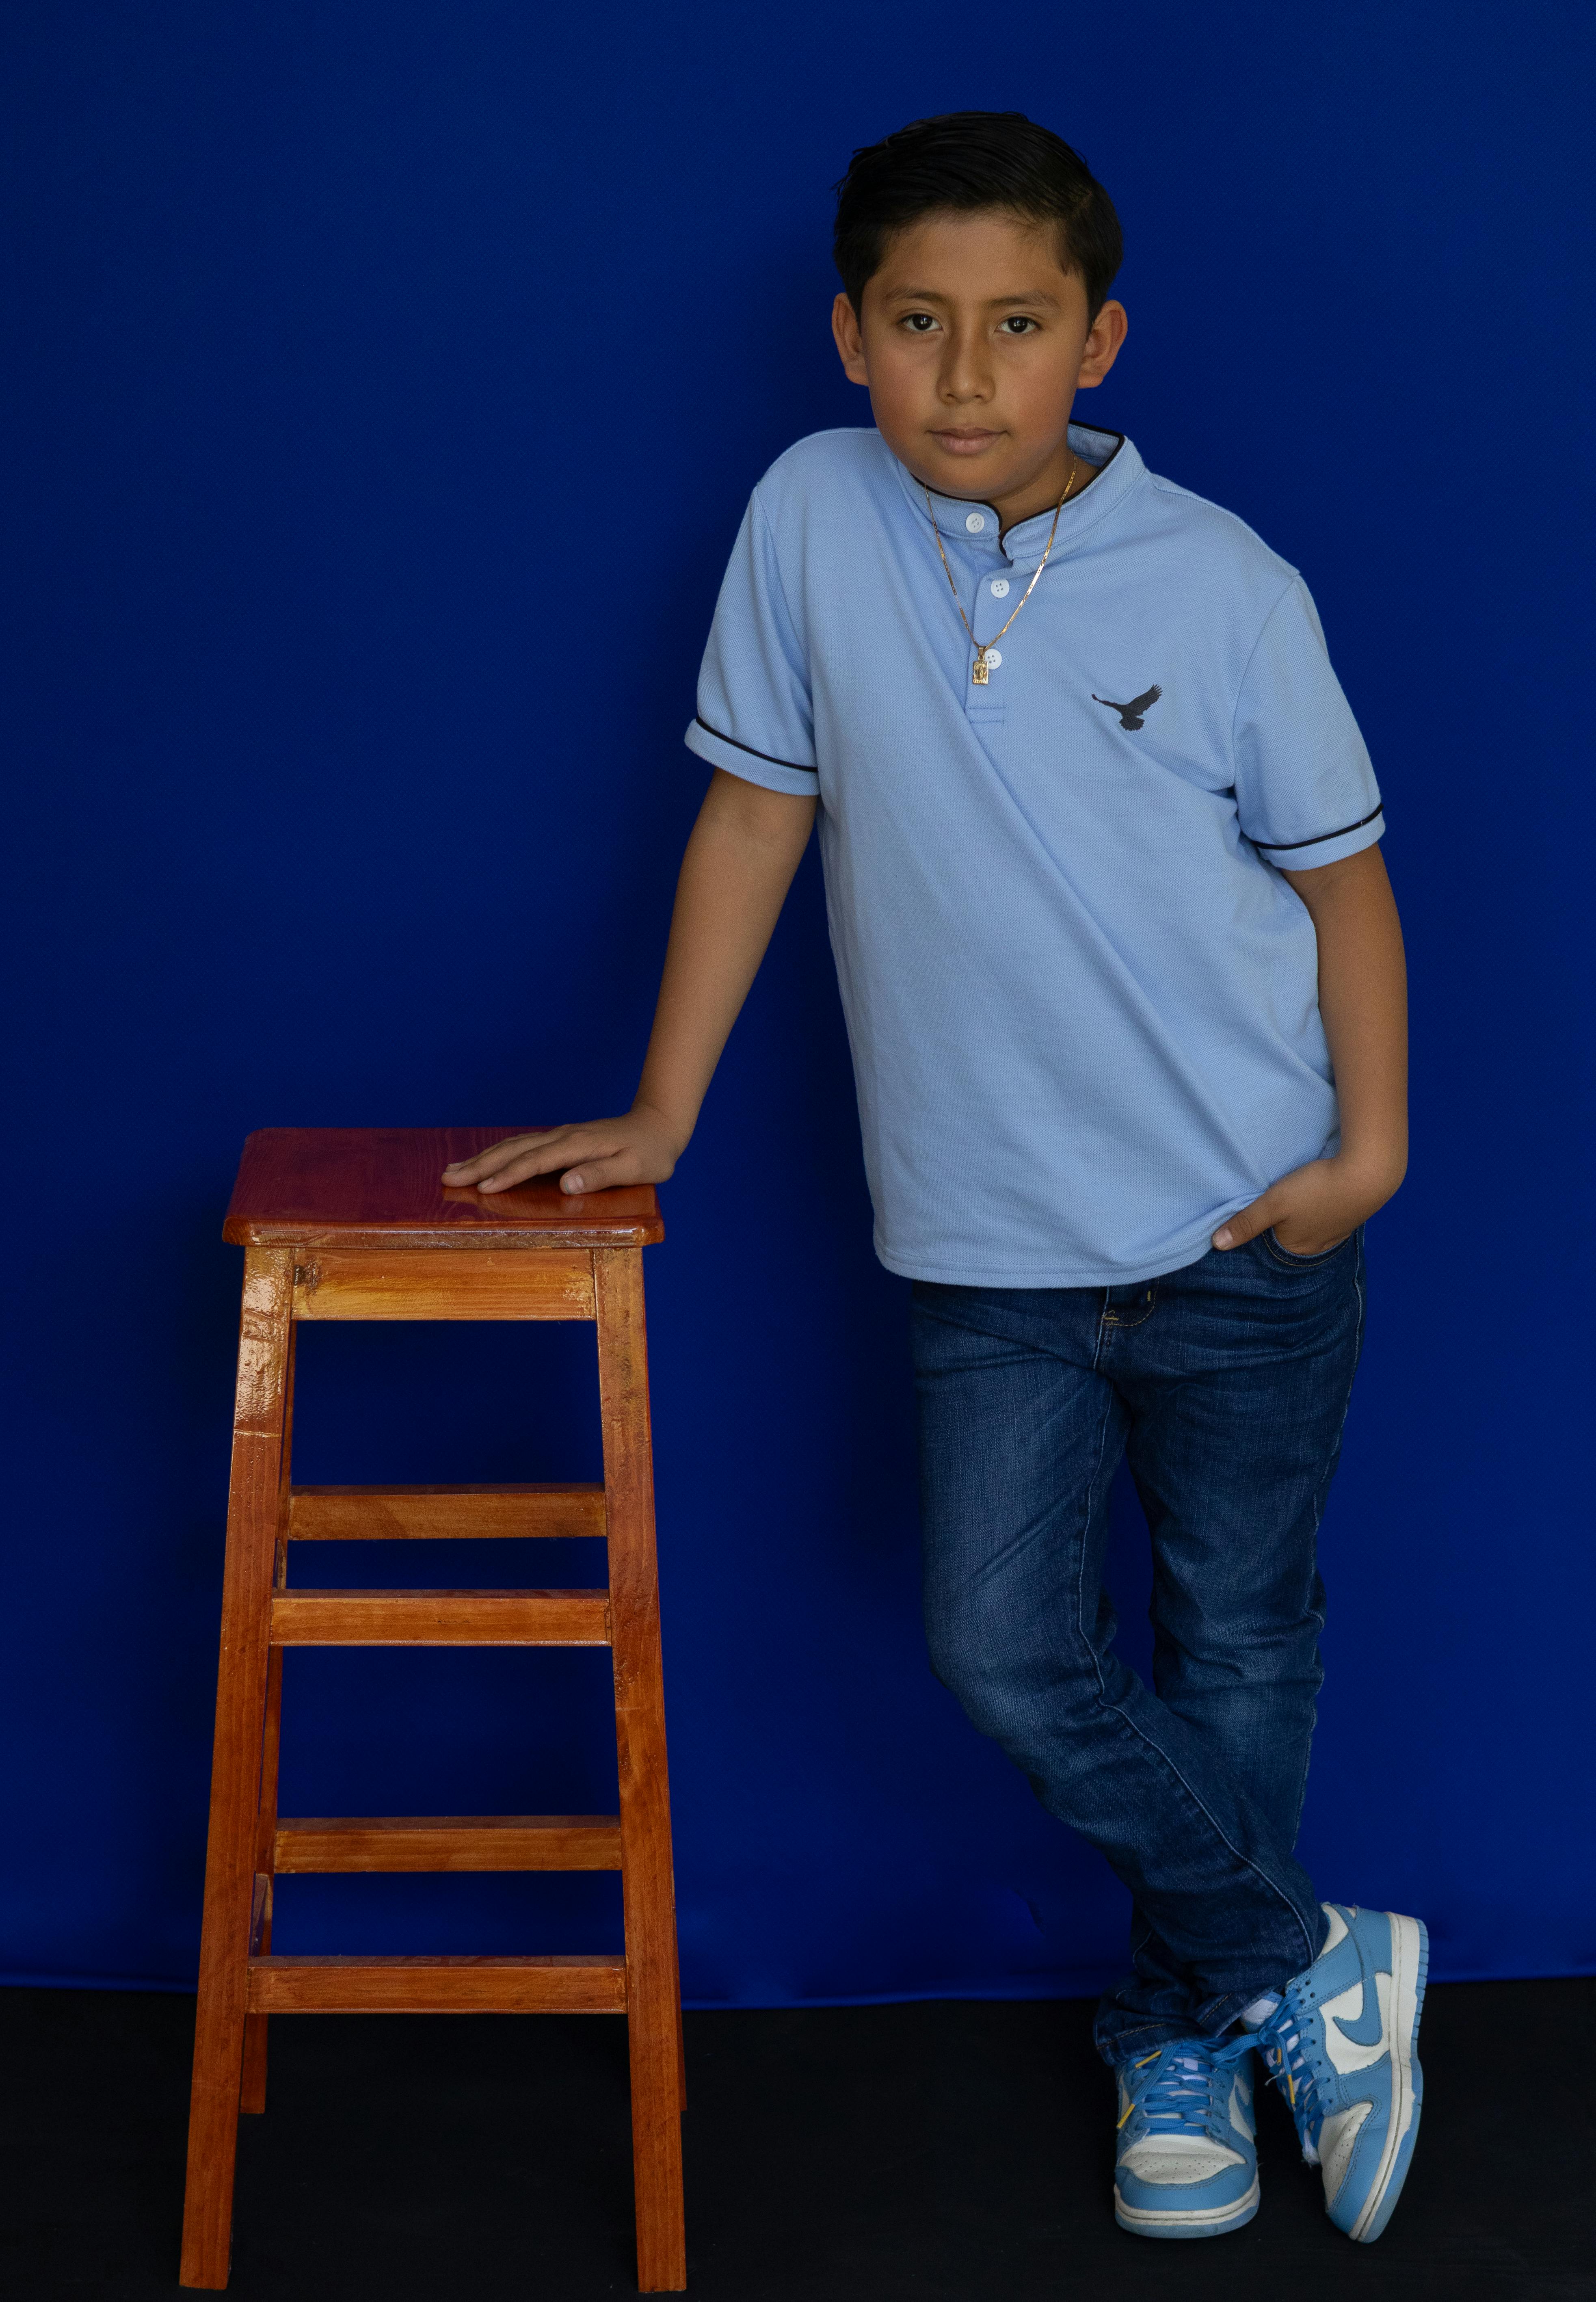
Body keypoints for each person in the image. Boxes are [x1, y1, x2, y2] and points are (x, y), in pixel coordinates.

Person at [443, 112, 1425, 2244]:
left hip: (1251, 1219)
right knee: (1004, 1642)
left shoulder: (1227, 584)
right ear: (846, 338)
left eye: (1015, 328)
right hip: (985, 1243)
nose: (965, 379)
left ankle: (1186, 2024)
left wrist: (1369, 1152)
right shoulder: (808, 516)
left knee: (1240, 1639)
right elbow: (754, 820)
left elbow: (1345, 888)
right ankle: (1308, 1953)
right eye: (917, 326)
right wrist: (664, 1108)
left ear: (1098, 340)